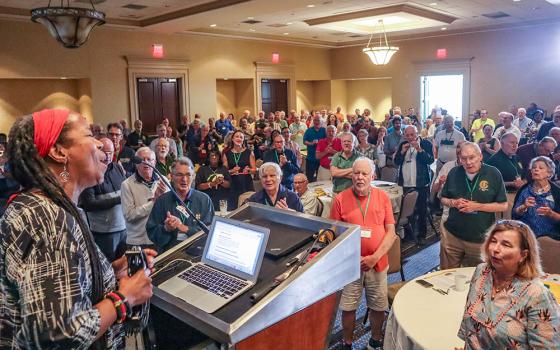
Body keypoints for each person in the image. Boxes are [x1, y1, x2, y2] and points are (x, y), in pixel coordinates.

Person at [0, 109, 155, 348]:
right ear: (58, 151)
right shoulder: (49, 220)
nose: (100, 144)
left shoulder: (46, 207)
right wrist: (126, 298)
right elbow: (58, 334)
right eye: (88, 135)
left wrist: (110, 274)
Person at [457, 220, 560, 349]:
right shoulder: (482, 271)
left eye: (506, 245)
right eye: (493, 241)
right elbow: (471, 329)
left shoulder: (537, 295)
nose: (495, 249)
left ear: (523, 255)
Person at [330, 157, 397, 350]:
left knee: (378, 305)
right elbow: (333, 234)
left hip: (378, 262)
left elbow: (391, 232)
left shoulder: (383, 197)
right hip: (351, 265)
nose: (359, 177)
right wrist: (352, 257)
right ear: (351, 175)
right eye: (356, 173)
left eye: (364, 174)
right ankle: (347, 342)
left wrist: (374, 257)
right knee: (348, 307)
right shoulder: (340, 199)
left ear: (373, 176)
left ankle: (375, 339)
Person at [440, 142, 508, 269]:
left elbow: (503, 206)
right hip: (452, 235)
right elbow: (443, 198)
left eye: (472, 157)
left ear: (480, 156)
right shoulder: (454, 172)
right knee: (446, 274)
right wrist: (453, 203)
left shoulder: (493, 173)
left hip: (479, 238)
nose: (468, 162)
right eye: (464, 159)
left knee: (477, 277)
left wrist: (476, 206)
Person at [146, 157, 214, 253]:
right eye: (179, 175)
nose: (184, 179)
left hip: (196, 256)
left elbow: (210, 233)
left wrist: (184, 228)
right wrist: (166, 228)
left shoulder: (204, 200)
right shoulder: (162, 201)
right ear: (172, 177)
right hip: (169, 256)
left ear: (193, 176)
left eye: (188, 175)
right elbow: (152, 234)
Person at [79, 137, 128, 262]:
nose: (107, 156)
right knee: (107, 269)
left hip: (123, 228)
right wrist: (118, 199)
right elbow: (89, 204)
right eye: (104, 152)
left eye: (110, 153)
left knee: (122, 266)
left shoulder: (117, 168)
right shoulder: (89, 173)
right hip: (104, 233)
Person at [394, 126, 435, 243]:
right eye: (407, 135)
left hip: (421, 183)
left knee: (422, 210)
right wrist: (401, 152)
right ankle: (408, 234)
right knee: (407, 211)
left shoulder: (426, 143)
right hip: (405, 183)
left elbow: (430, 160)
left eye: (412, 135)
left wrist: (419, 150)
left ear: (417, 133)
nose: (410, 137)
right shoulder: (403, 144)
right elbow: (396, 161)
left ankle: (422, 235)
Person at [121, 147, 166, 249]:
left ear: (154, 162)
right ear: (136, 163)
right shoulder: (127, 185)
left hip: (161, 238)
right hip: (138, 241)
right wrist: (154, 201)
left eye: (149, 159)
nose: (146, 162)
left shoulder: (164, 180)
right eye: (142, 160)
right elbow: (129, 215)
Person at [512, 156, 560, 240]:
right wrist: (524, 206)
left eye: (541, 168)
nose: (536, 169)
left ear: (549, 173)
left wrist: (551, 213)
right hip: (526, 236)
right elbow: (514, 214)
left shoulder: (557, 192)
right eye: (533, 168)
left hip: (551, 239)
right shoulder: (524, 190)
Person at [487, 133, 524, 219]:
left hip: (518, 196)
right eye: (512, 142)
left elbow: (522, 174)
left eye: (516, 143)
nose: (515, 145)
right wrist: (511, 184)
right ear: (502, 143)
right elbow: (490, 183)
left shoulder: (516, 157)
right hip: (504, 197)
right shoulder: (494, 160)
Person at [223, 130, 256, 209]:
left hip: (246, 183)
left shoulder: (249, 152)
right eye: (237, 136)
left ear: (243, 139)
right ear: (232, 139)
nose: (239, 138)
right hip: (232, 183)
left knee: (247, 208)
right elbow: (223, 172)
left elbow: (254, 170)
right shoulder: (226, 153)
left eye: (241, 137)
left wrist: (249, 170)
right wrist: (231, 171)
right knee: (232, 208)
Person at [303, 115, 327, 182]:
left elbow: (327, 141)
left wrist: (320, 143)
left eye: (318, 120)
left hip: (321, 158)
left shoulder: (324, 130)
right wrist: (311, 143)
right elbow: (304, 141)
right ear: (313, 121)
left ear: (321, 121)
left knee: (321, 178)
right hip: (311, 158)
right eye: (315, 120)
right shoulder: (309, 130)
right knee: (309, 178)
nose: (317, 122)